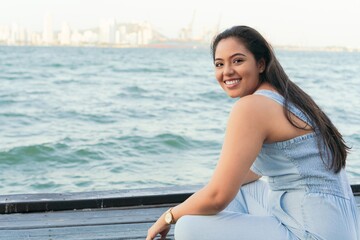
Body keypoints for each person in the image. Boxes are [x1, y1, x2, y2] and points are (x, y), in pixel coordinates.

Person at [146, 25, 359, 240]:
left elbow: (218, 197)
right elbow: (243, 177)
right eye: (219, 64)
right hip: (339, 226)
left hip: (312, 233)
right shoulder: (287, 97)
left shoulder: (252, 106)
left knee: (188, 226)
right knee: (241, 189)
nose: (227, 71)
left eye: (237, 61)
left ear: (260, 63)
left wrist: (169, 216)